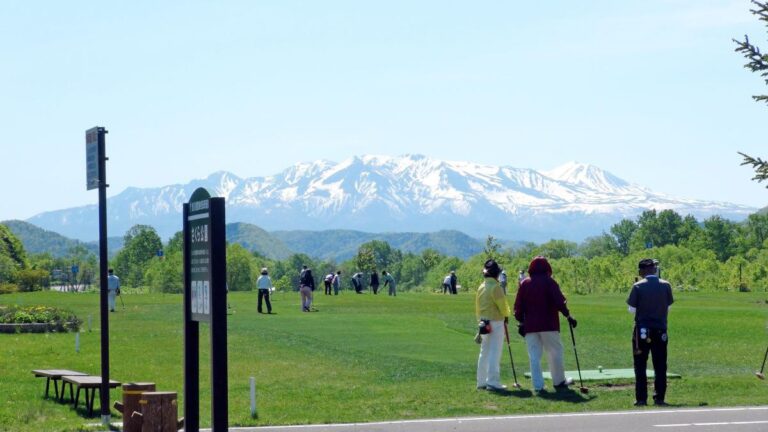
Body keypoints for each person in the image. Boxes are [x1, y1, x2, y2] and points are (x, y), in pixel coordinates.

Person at [514, 256, 576, 392]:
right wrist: (568, 315)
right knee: (555, 353)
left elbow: (518, 306)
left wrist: (520, 322)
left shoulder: (525, 283)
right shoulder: (550, 282)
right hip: (549, 325)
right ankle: (558, 381)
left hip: (530, 326)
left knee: (534, 356)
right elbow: (560, 302)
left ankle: (538, 386)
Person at [627, 258, 674, 407]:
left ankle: (641, 399)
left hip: (642, 331)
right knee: (660, 365)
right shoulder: (666, 285)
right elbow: (668, 308)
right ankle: (659, 397)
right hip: (660, 330)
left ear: (641, 271)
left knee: (640, 365)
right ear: (653, 269)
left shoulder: (637, 286)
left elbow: (631, 310)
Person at [475, 259, 511, 391]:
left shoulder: (481, 287)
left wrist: (479, 322)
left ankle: (481, 381)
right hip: (496, 322)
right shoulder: (496, 287)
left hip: (483, 322)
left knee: (484, 352)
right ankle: (493, 381)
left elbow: (478, 308)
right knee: (495, 352)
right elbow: (503, 307)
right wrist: (507, 315)